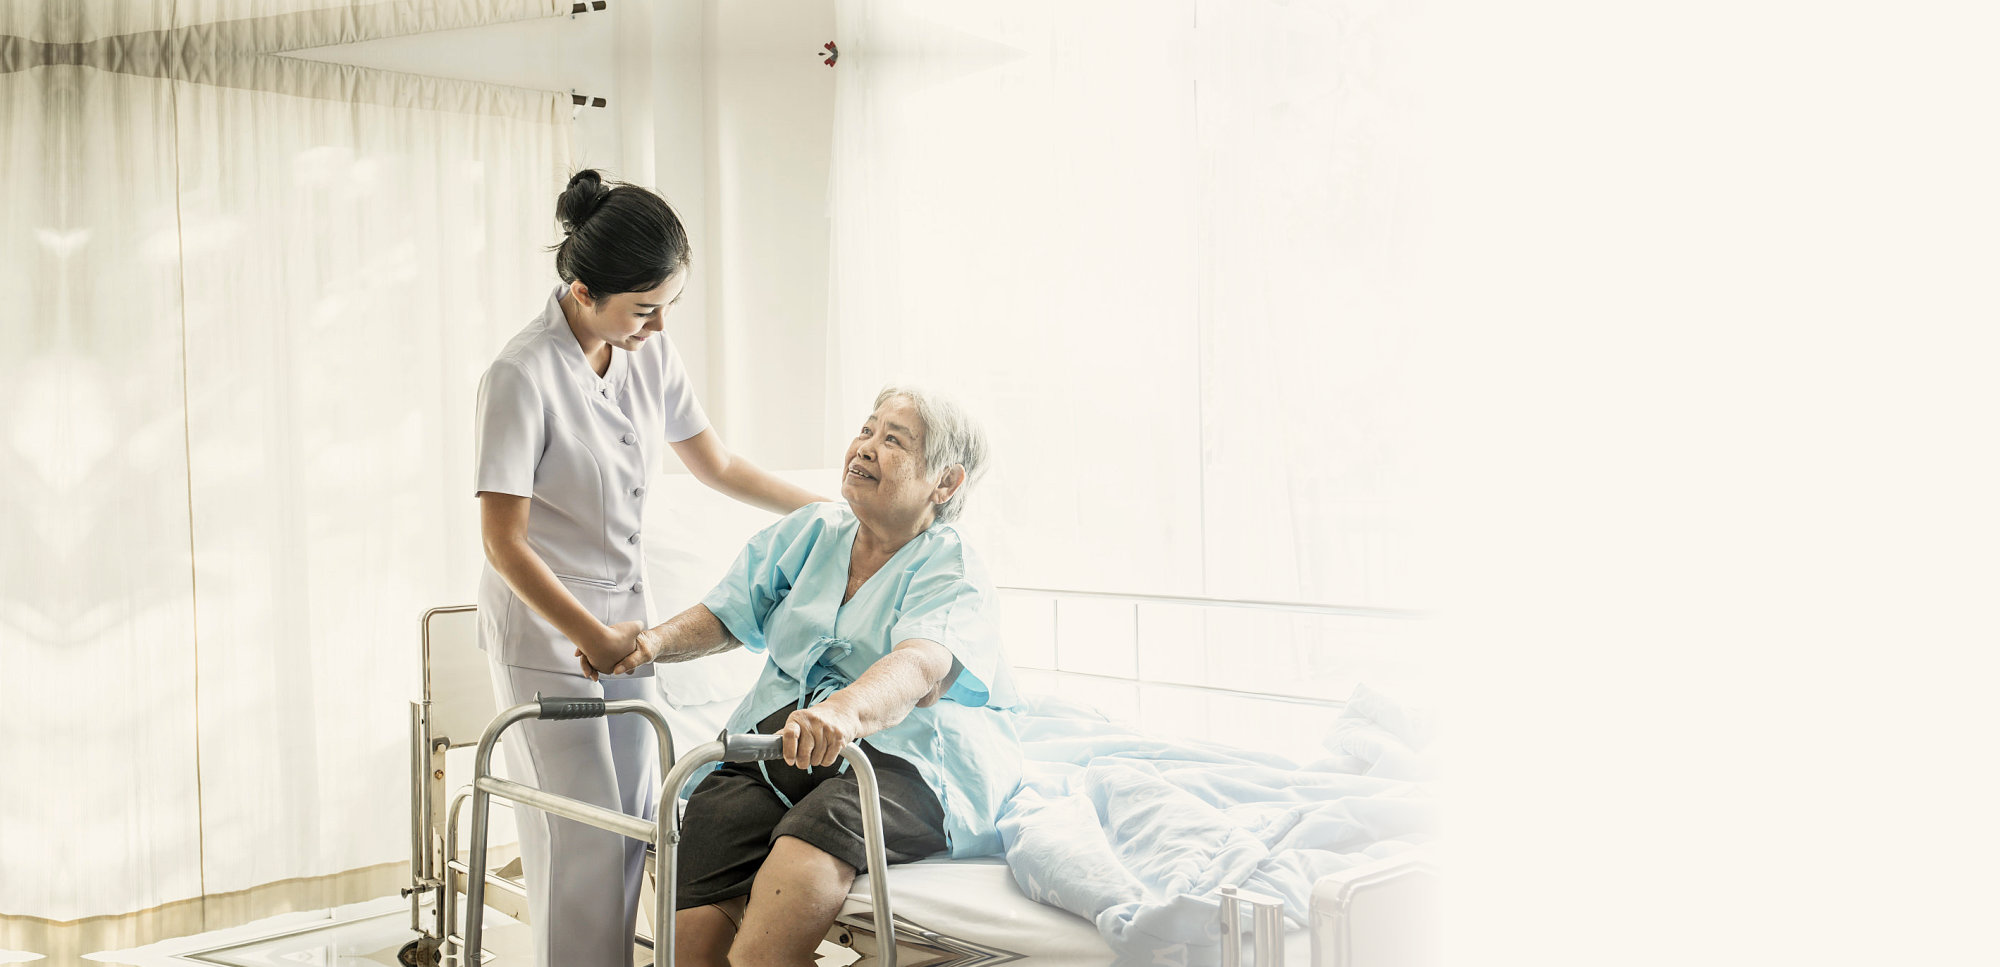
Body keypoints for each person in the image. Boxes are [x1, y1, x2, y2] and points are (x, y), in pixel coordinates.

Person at [472, 169, 825, 967]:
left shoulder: (647, 353)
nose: (660, 325)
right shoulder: (521, 374)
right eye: (644, 308)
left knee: (637, 819)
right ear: (583, 288)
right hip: (546, 629)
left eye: (668, 305)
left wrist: (827, 513)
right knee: (582, 833)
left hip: (624, 628)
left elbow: (719, 465)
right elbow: (504, 541)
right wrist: (589, 634)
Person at [589, 385, 1022, 967]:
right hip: (783, 744)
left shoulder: (950, 563)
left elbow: (920, 663)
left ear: (945, 483)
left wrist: (845, 711)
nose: (865, 448)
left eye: (893, 440)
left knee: (814, 834)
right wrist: (650, 643)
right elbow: (728, 612)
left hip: (905, 759)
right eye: (866, 430)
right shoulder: (811, 531)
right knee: (713, 822)